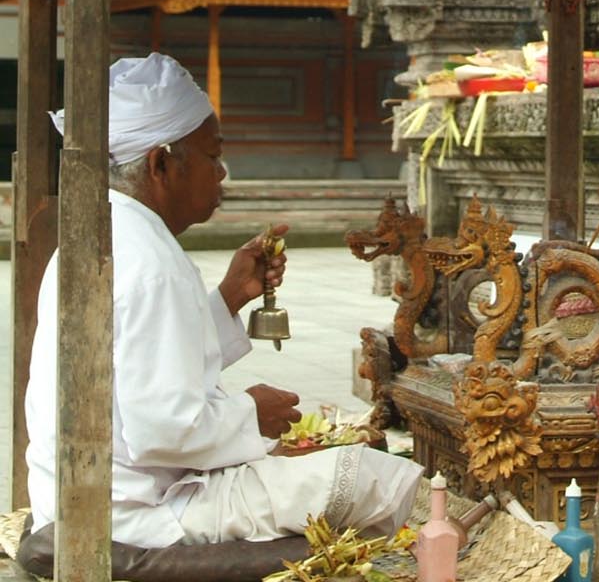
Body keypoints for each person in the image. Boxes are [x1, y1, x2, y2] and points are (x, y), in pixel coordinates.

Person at [24, 53, 423, 549]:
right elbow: (163, 432)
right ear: (161, 163)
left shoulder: (109, 231)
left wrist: (231, 296)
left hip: (84, 494)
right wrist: (250, 414)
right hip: (139, 514)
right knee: (373, 477)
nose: (222, 174)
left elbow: (140, 363)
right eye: (213, 157)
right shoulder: (149, 261)